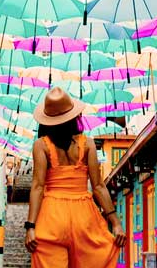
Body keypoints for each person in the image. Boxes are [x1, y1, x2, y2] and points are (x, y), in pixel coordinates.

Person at [24, 87, 127, 267]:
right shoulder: (87, 143)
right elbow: (98, 186)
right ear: (73, 116)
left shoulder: (41, 145)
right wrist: (116, 223)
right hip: (84, 215)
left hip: (52, 216)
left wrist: (30, 227)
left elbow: (38, 187)